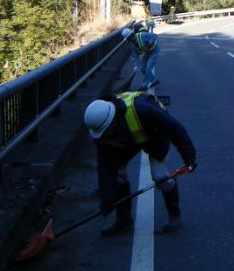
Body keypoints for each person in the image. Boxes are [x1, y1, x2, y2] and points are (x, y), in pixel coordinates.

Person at [83, 92, 197, 235]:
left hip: (154, 135)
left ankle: (174, 214)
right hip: (128, 140)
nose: (102, 136)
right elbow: (105, 167)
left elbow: (176, 130)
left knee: (160, 177)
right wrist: (107, 200)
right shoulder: (102, 133)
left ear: (113, 121)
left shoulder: (144, 112)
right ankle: (124, 220)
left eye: (105, 132)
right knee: (117, 175)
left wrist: (189, 159)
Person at [123, 23, 159, 91]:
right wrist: (136, 65)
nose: (130, 39)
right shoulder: (132, 45)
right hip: (146, 53)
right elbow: (135, 56)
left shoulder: (142, 35)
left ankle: (144, 85)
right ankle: (154, 80)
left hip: (154, 51)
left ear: (132, 34)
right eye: (128, 39)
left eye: (130, 37)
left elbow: (154, 36)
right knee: (143, 69)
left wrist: (150, 42)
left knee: (148, 67)